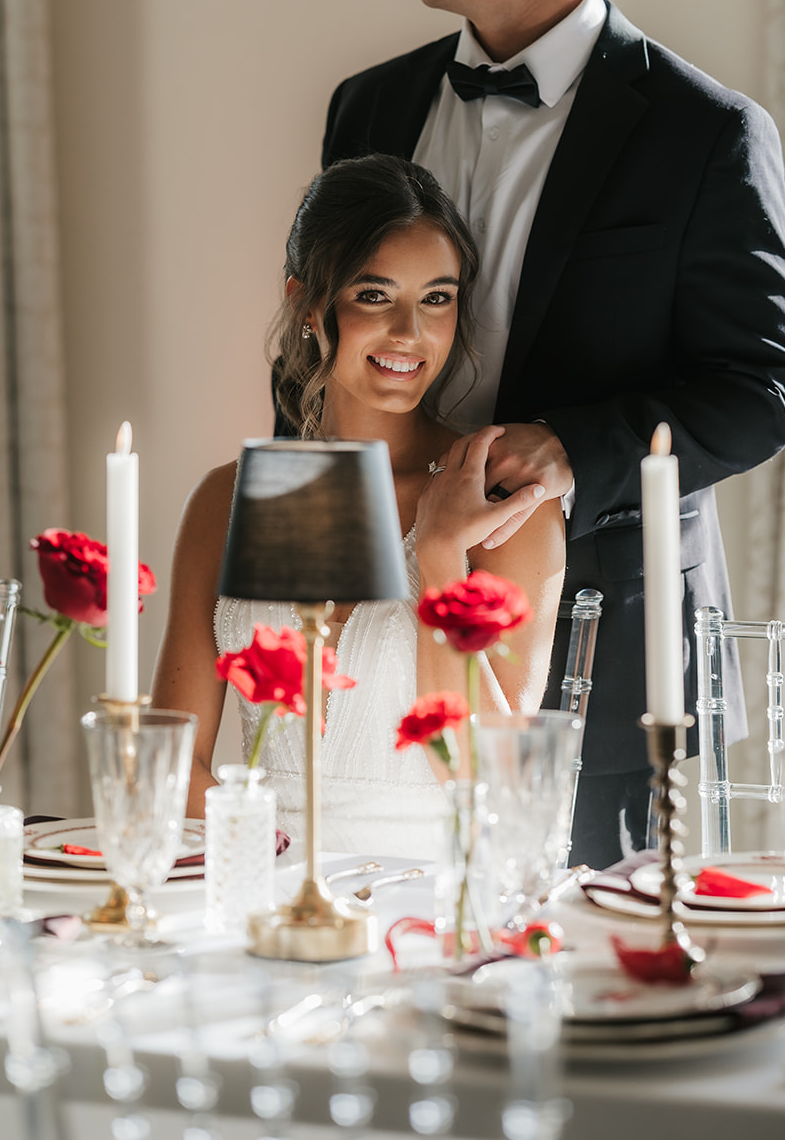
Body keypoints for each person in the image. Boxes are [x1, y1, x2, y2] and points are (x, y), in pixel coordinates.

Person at [321, 0, 785, 868]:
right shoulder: (368, 106)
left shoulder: (703, 132)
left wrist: (568, 447)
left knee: (596, 987)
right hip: (375, 624)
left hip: (613, 645)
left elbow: (758, 393)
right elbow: (324, 340)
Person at [152, 154, 564, 855]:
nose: (409, 331)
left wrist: (439, 557)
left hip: (437, 904)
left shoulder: (503, 505)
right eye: (374, 296)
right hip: (261, 889)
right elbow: (172, 763)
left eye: (437, 298)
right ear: (308, 303)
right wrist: (272, 871)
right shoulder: (227, 497)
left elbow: (493, 784)